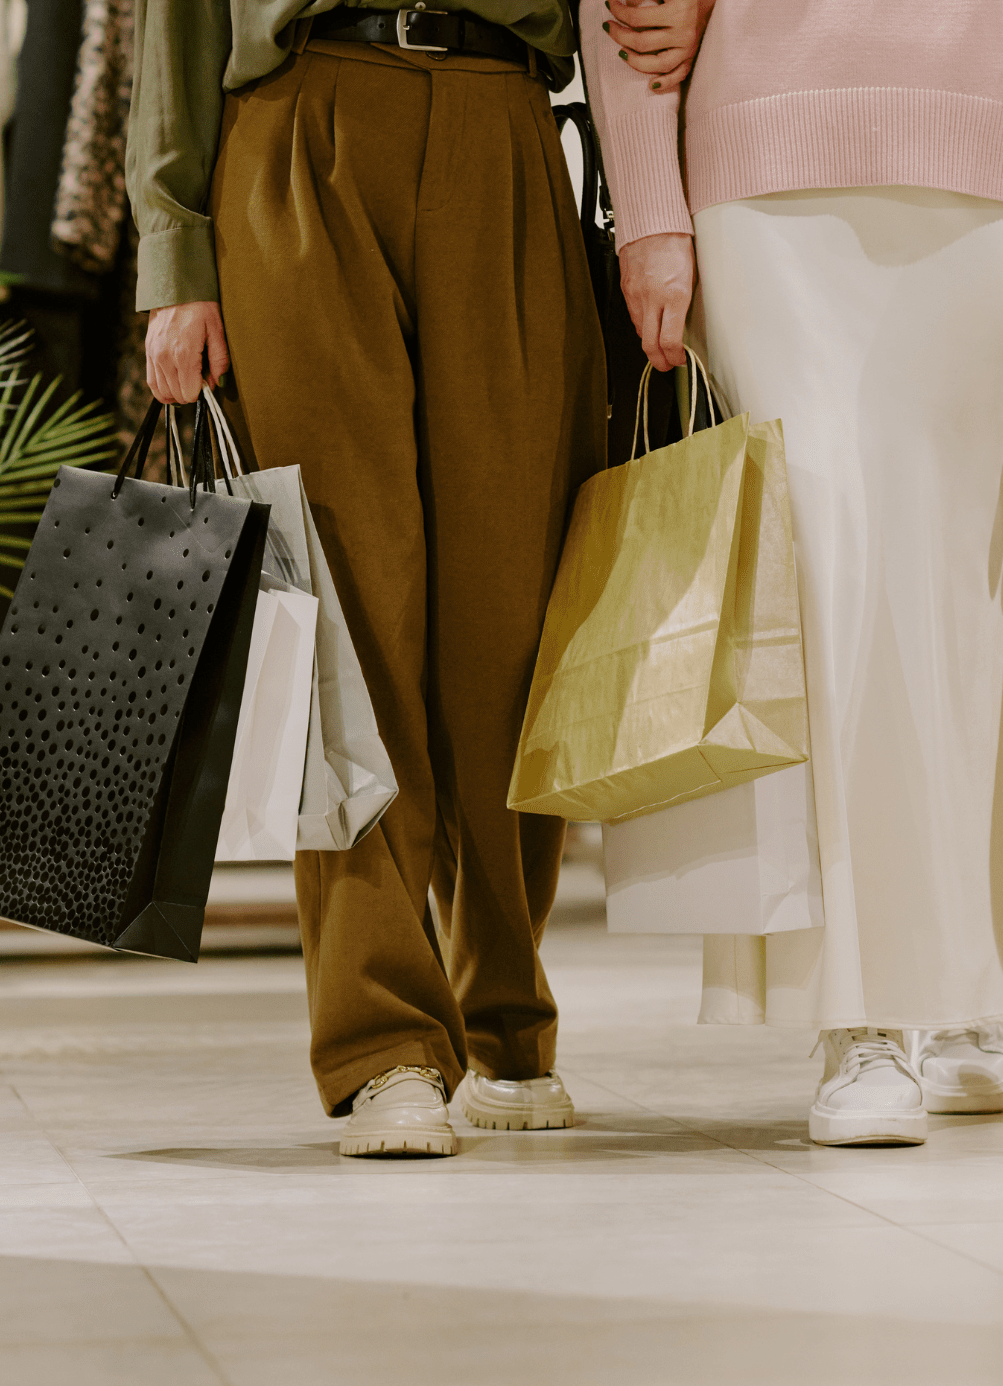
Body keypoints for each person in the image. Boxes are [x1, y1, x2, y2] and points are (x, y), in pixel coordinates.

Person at [585, 0, 1003, 1145]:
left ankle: (957, 975)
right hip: (760, 170)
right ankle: (864, 1014)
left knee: (958, 591)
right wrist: (647, 208)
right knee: (828, 577)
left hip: (980, 173)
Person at [130, 0, 606, 1156]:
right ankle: (381, 1040)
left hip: (508, 121)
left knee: (513, 609)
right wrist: (173, 251)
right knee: (347, 605)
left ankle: (508, 1013)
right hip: (302, 125)